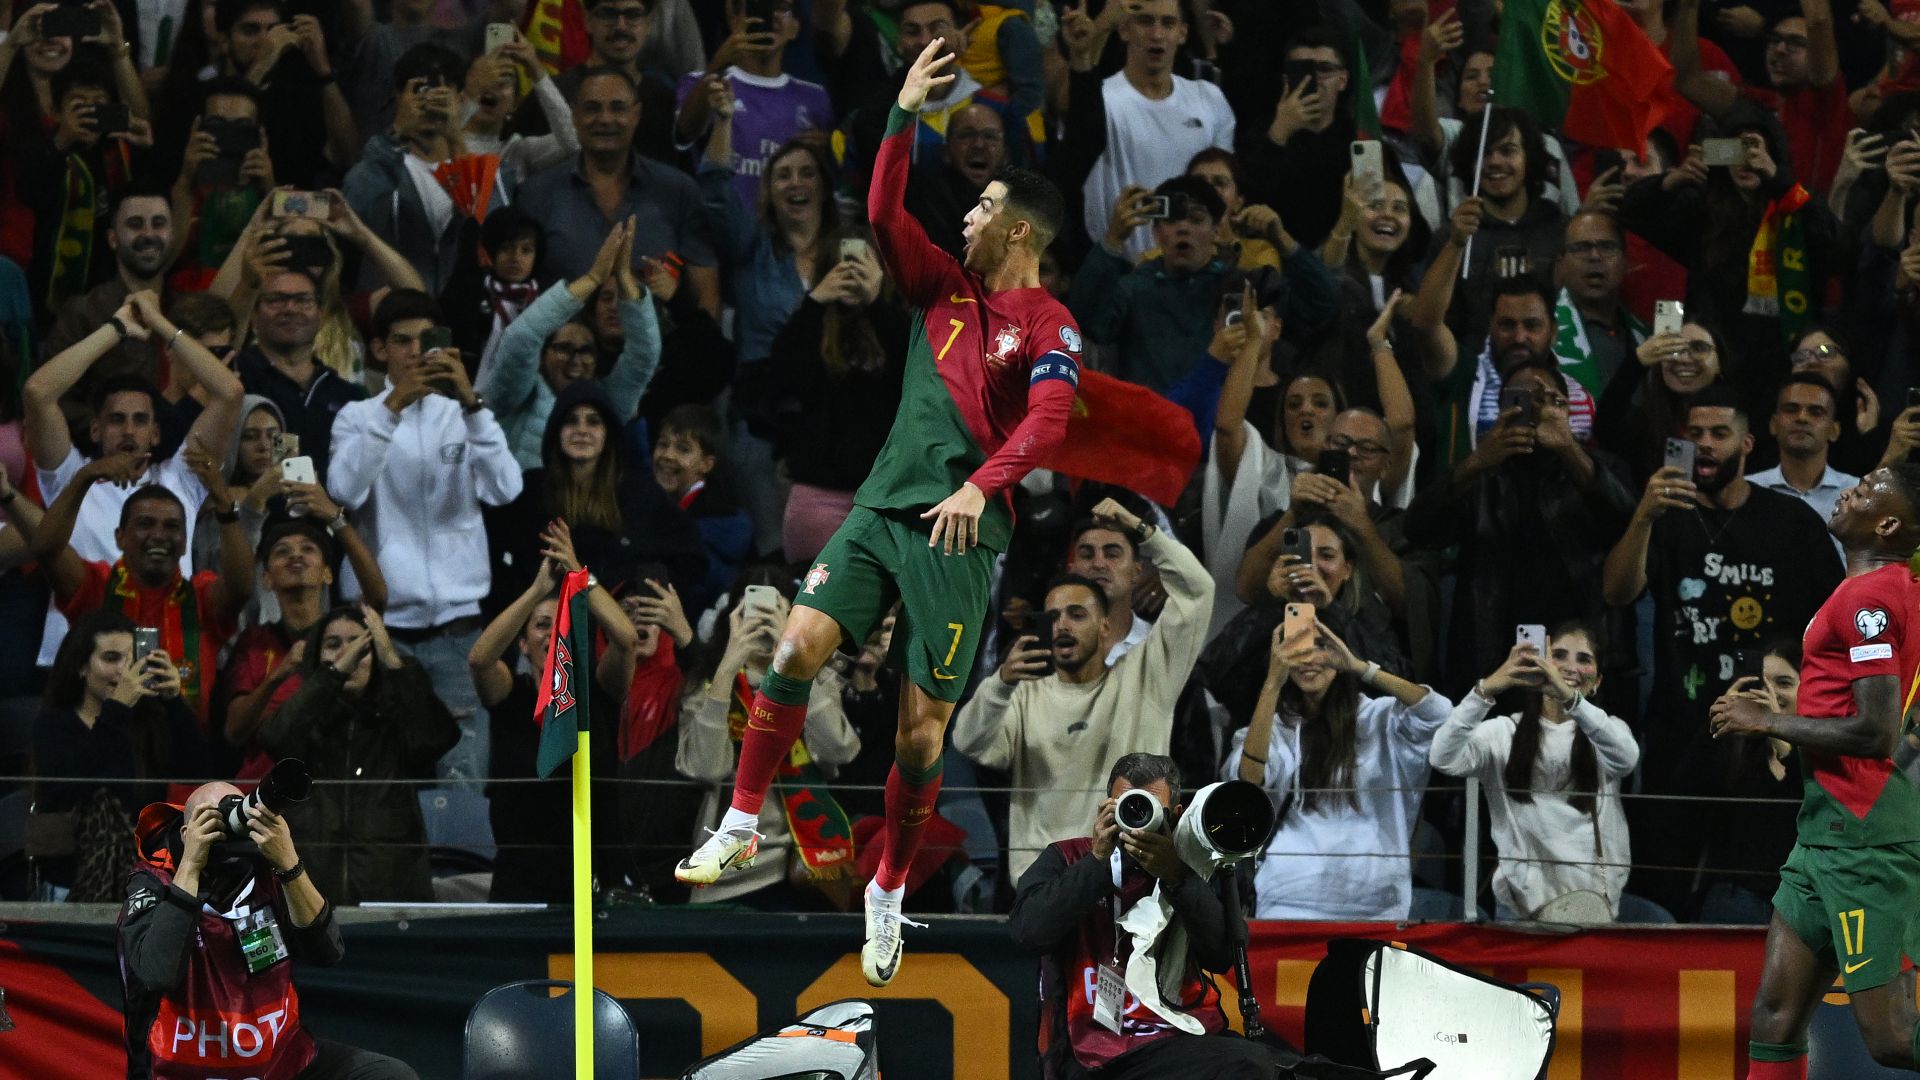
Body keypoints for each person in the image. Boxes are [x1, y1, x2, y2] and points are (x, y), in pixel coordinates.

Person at [675, 41, 1081, 988]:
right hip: (880, 509)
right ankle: (739, 823)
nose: (968, 215)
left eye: (984, 207)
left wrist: (982, 485)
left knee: (918, 737)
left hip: (961, 534)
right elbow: (888, 208)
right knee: (790, 651)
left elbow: (1053, 424)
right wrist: (902, 112)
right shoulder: (939, 289)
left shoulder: (1050, 325)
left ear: (1019, 230)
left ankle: (888, 888)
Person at [1708, 465, 1920, 1075]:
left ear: (1885, 524)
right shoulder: (1893, 587)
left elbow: (1875, 732)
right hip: (1822, 834)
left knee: (1892, 1038)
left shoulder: (1868, 598)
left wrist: (1764, 720)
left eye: (1868, 489)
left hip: (1862, 837)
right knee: (1776, 1015)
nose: (1848, 488)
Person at [1603, 387, 1845, 911]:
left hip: (1771, 738)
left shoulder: (1793, 522)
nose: (1706, 445)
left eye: (1719, 434)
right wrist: (1642, 515)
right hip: (1682, 729)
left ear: (1748, 442)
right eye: (1695, 435)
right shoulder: (1666, 516)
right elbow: (1618, 591)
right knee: (1669, 885)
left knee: (1763, 884)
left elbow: (1837, 623)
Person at [326, 290, 523, 790]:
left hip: (461, 633)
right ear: (378, 349)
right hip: (384, 633)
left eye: (427, 340)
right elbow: (343, 491)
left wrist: (473, 404)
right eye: (402, 341)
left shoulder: (464, 414)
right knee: (385, 777)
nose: (415, 351)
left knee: (464, 779)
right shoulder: (357, 416)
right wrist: (392, 407)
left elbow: (506, 489)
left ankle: (462, 872)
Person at [953, 500, 1212, 881]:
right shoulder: (1024, 695)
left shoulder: (1147, 675)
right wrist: (1001, 683)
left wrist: (1141, 529)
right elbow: (971, 743)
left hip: (1130, 875)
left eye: (1077, 615)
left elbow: (1198, 590)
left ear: (1105, 628)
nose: (1062, 626)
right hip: (1045, 882)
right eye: (1053, 616)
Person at [117, 780, 418, 1079]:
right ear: (186, 833)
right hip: (181, 1070)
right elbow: (156, 974)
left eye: (235, 819)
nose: (227, 830)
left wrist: (289, 862)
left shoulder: (266, 867)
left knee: (391, 1075)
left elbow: (328, 951)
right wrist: (191, 865)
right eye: (212, 821)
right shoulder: (153, 882)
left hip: (280, 1063)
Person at [1007, 753, 1275, 1080]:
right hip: (1094, 1044)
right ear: (1106, 808)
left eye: (1150, 809)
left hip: (1180, 1035)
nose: (1137, 818)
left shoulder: (1195, 864)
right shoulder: (1067, 857)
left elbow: (1221, 955)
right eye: (1126, 806)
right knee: (1247, 1062)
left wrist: (1177, 877)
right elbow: (1027, 933)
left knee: (1263, 1064)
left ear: (1175, 814)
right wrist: (1098, 864)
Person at [24, 289, 245, 667]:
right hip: (76, 657)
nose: (128, 430)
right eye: (116, 419)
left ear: (156, 434)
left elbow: (229, 392)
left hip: (163, 652)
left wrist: (160, 324)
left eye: (140, 420)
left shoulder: (181, 481)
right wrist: (117, 327)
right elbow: (38, 392)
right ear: (95, 429)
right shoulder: (70, 478)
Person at [1404, 362, 1637, 685]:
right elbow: (1417, 530)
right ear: (1502, 411)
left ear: (1565, 409)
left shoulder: (1599, 469)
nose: (1535, 410)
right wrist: (1474, 463)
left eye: (1547, 400)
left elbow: (1630, 526)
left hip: (1576, 656)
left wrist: (1568, 448)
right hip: (1493, 658)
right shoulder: (1482, 475)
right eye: (1521, 401)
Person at [1226, 617, 1451, 921]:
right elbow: (1247, 783)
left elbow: (1438, 713)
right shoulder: (1270, 730)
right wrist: (1272, 684)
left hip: (1376, 907)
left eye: (1321, 646)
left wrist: (1361, 667)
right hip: (1288, 902)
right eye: (1295, 646)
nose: (1309, 658)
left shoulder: (1380, 718)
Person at [1429, 624, 1641, 922]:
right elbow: (1442, 757)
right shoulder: (1503, 732)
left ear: (1597, 682)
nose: (1570, 667)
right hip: (1520, 911)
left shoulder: (1608, 730)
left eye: (1584, 659)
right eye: (1559, 655)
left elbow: (1627, 758)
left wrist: (1571, 700)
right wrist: (1485, 690)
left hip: (1592, 909)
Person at [472, 531, 640, 903]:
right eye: (541, 625)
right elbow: (480, 659)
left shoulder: (599, 692)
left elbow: (626, 639)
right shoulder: (510, 696)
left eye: (561, 623)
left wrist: (580, 576)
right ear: (523, 642)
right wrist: (537, 591)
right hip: (521, 879)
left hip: (595, 873)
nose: (552, 633)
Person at [675, 577, 861, 909]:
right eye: (753, 613)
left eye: (776, 613)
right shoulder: (707, 687)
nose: (763, 623)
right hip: (727, 876)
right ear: (732, 620)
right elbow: (707, 769)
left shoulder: (817, 678)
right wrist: (728, 668)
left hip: (807, 862)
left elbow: (839, 750)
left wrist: (798, 660)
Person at [259, 603, 457, 905]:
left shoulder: (398, 720)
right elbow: (275, 739)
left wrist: (392, 659)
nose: (346, 655)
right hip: (313, 898)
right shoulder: (305, 722)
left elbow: (438, 737)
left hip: (390, 898)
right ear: (316, 656)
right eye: (333, 645)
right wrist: (332, 675)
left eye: (359, 645)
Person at [34, 450, 254, 721]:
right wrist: (84, 477)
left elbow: (242, 586)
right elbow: (46, 549)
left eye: (172, 526)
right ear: (120, 537)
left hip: (183, 754)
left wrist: (225, 508)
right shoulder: (97, 587)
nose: (159, 535)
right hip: (104, 750)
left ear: (185, 543)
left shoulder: (201, 598)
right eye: (145, 524)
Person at [32, 609, 207, 902]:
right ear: (81, 667)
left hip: (144, 878)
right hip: (68, 879)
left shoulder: (149, 720)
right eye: (111, 659)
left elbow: (199, 768)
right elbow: (70, 784)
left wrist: (175, 700)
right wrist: (117, 709)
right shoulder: (55, 723)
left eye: (131, 659)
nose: (124, 672)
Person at [519, 66, 720, 316]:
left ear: (637, 114)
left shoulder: (678, 191)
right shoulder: (535, 194)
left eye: (618, 108)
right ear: (574, 115)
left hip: (662, 351)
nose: (605, 119)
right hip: (563, 351)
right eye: (592, 108)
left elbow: (707, 297)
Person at [480, 219, 658, 469]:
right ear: (542, 355)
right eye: (564, 349)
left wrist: (625, 277)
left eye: (586, 351)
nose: (576, 360)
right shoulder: (516, 393)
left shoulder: (606, 401)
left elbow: (644, 356)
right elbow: (519, 339)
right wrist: (593, 278)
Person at [1072, 0, 1235, 260]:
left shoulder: (1209, 99)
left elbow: (1223, 194)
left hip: (1194, 269)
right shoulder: (1099, 100)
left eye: (1168, 23)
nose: (1157, 34)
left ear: (1182, 33)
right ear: (1124, 30)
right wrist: (1098, 29)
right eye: (1145, 21)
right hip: (1119, 267)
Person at [675, 0, 834, 211]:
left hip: (789, 232)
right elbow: (684, 134)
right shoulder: (700, 82)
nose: (772, 17)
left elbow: (832, 175)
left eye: (782, 8)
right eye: (759, 6)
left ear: (795, 27)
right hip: (722, 229)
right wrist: (717, 66)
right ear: (735, 20)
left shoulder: (815, 97)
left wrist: (830, 149)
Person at [1748, 374, 1858, 543]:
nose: (1802, 418)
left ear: (1834, 430)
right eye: (1791, 409)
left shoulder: (1858, 494)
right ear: (1773, 424)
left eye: (1816, 412)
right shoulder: (1745, 491)